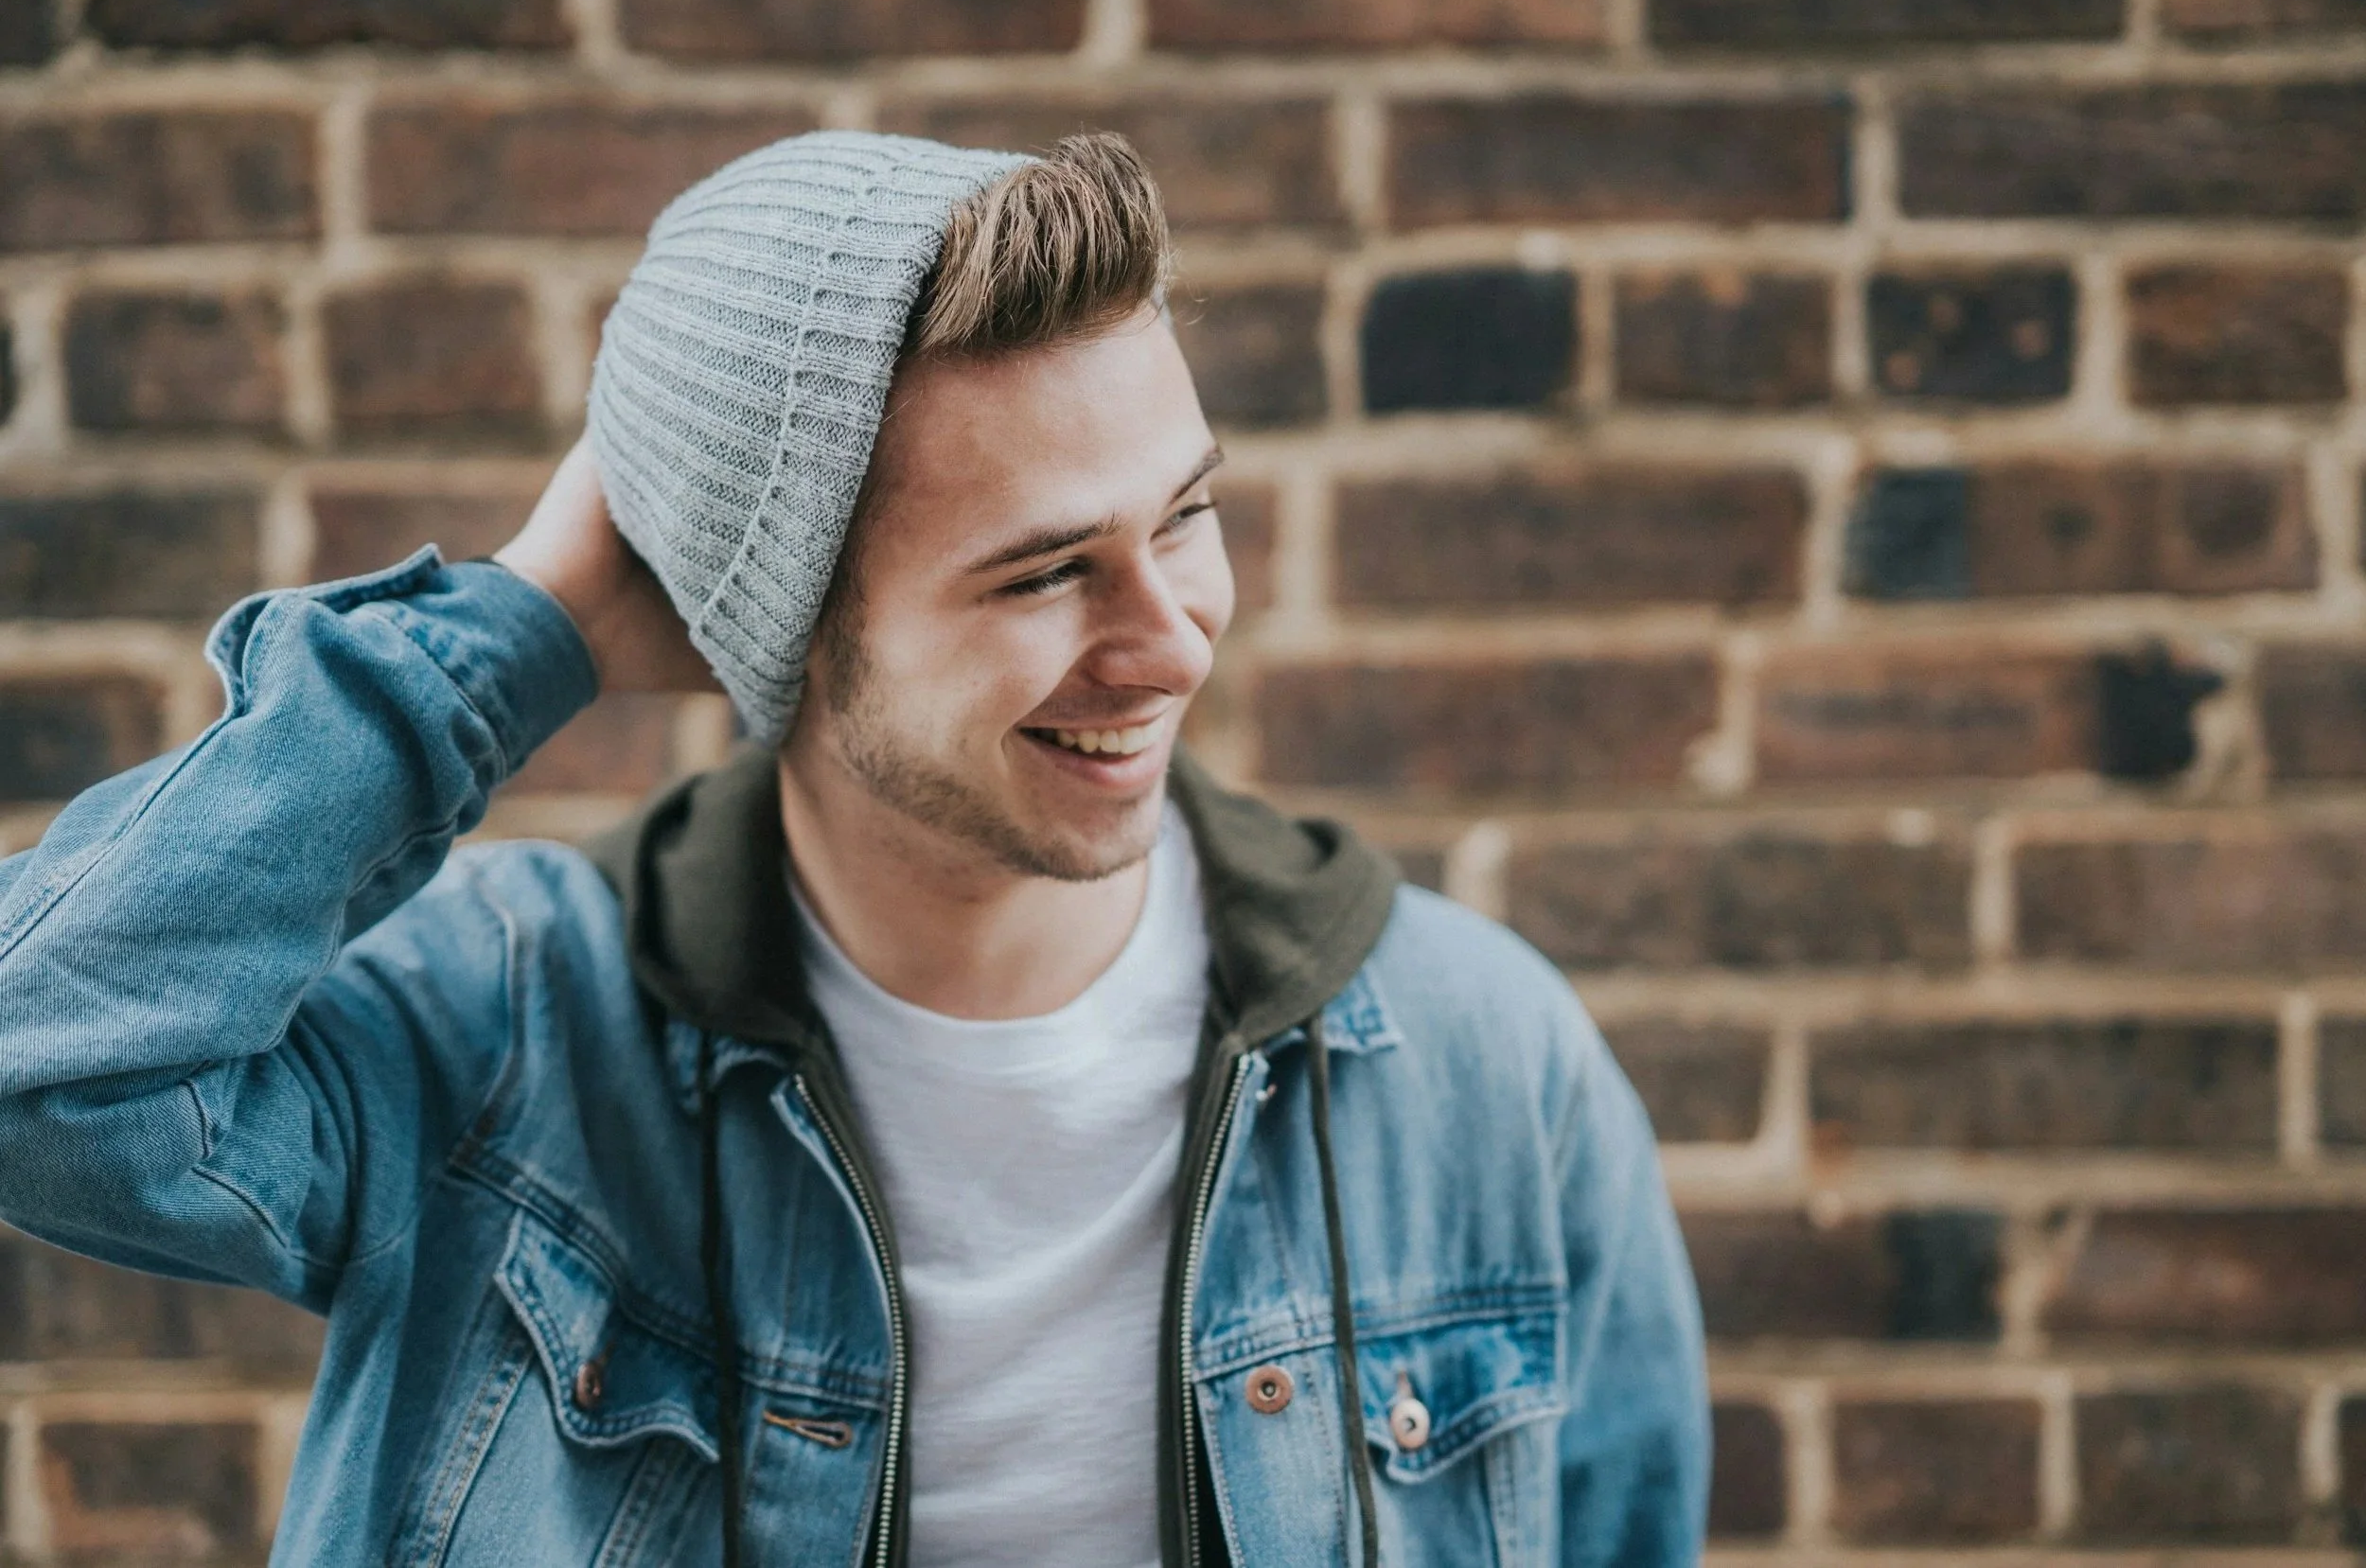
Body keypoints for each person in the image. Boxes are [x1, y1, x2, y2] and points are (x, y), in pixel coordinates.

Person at [0, 130, 1705, 1566]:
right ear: (794, 628)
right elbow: (42, 1061)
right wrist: (530, 626)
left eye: (1185, 515)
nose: (1172, 641)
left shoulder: (1482, 1062)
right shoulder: (502, 1040)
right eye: (1047, 572)